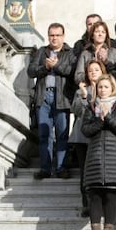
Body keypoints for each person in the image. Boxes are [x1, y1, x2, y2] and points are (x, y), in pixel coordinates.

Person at [81, 74, 116, 230]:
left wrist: (108, 117)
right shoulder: (90, 107)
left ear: (112, 89)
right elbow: (85, 130)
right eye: (100, 87)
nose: (102, 90)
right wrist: (99, 121)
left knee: (110, 196)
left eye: (106, 87)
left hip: (114, 158)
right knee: (94, 196)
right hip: (94, 157)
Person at [27, 22, 76, 180]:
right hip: (43, 97)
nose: (54, 38)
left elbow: (72, 72)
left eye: (57, 35)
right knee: (44, 135)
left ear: (63, 36)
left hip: (61, 97)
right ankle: (45, 168)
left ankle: (61, 168)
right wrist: (45, 68)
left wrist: (57, 66)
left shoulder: (70, 52)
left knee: (62, 134)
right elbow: (31, 71)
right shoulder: (42, 52)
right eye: (52, 35)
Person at [68, 59, 107, 217]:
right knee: (85, 171)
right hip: (81, 136)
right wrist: (84, 96)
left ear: (102, 72)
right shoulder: (81, 90)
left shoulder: (106, 89)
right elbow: (76, 111)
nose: (93, 73)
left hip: (99, 135)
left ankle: (100, 203)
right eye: (90, 70)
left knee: (99, 170)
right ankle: (86, 203)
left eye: (96, 70)